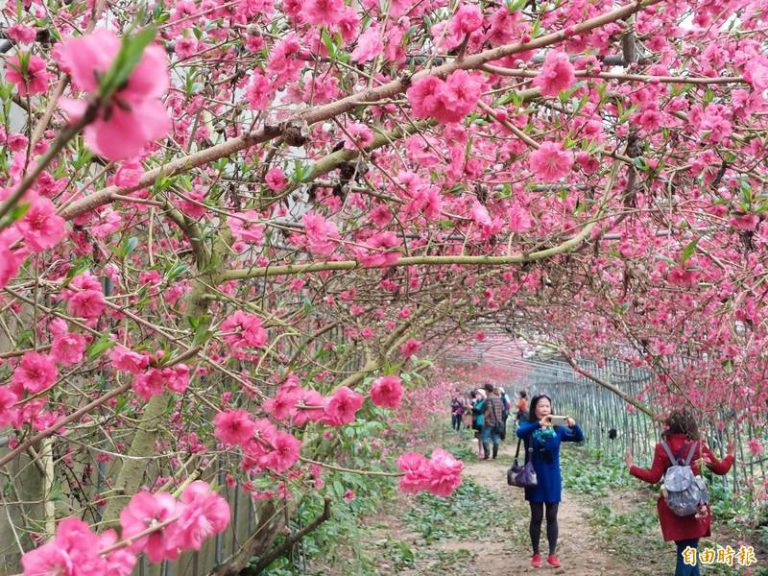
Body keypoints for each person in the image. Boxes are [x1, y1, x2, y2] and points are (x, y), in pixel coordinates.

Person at [625, 410, 734, 576]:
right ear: (690, 426)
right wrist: (731, 454)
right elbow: (721, 469)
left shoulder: (663, 448)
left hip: (673, 506)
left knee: (688, 549)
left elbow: (653, 477)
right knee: (688, 550)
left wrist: (632, 467)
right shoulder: (698, 446)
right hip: (696, 505)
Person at [516, 394, 583, 569]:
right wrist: (539, 424)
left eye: (547, 406)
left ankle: (552, 554)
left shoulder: (558, 429)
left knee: (552, 516)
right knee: (536, 517)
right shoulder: (529, 428)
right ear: (534, 409)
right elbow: (519, 432)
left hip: (552, 477)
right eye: (541, 406)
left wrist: (575, 426)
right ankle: (536, 553)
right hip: (534, 478)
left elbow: (578, 438)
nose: (545, 409)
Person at [481, 383, 504, 460]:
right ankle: (495, 455)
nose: (484, 392)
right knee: (495, 438)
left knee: (484, 438)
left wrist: (484, 418)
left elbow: (489, 410)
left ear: (487, 390)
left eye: (485, 390)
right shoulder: (498, 398)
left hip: (489, 422)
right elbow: (503, 408)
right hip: (498, 422)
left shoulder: (488, 399)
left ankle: (487, 455)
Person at [471, 389, 487, 458]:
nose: (477, 396)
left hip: (481, 421)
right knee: (478, 437)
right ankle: (480, 450)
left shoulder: (484, 402)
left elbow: (480, 411)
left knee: (481, 437)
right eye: (476, 394)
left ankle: (482, 451)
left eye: (478, 394)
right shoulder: (477, 402)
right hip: (476, 421)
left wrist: (472, 408)